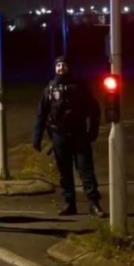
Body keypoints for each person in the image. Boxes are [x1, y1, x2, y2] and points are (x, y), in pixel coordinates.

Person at [32, 56, 106, 217]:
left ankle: (94, 203)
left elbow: (94, 109)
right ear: (54, 68)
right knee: (64, 172)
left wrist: (93, 131)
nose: (61, 68)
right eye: (58, 65)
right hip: (59, 136)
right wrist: (36, 138)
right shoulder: (50, 89)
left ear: (69, 67)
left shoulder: (79, 86)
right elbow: (41, 114)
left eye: (64, 65)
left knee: (86, 170)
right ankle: (69, 203)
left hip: (79, 134)